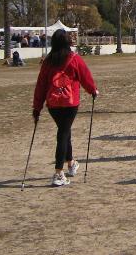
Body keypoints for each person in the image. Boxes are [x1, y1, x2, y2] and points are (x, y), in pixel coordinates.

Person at [33, 29, 98, 187]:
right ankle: (58, 172)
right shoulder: (74, 58)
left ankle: (71, 163)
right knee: (63, 133)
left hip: (53, 103)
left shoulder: (48, 61)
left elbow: (41, 85)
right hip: (70, 102)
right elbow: (85, 76)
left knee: (64, 131)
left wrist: (37, 107)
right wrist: (93, 90)